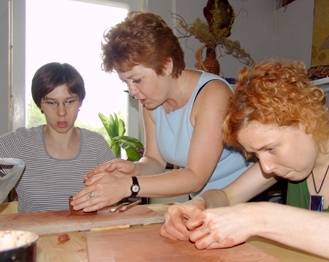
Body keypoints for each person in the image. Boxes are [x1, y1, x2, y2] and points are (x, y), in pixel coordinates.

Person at [160, 60, 329, 261]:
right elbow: (226, 196)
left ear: (306, 119)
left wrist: (259, 218)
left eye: (270, 148)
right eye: (257, 155)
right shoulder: (284, 164)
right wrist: (199, 204)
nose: (266, 167)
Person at [70, 11, 253, 212]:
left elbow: (195, 177)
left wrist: (128, 185)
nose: (132, 91)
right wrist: (134, 168)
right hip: (203, 206)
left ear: (166, 65)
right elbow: (155, 160)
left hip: (244, 203)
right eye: (126, 82)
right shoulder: (151, 101)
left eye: (137, 79)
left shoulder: (213, 95)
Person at [0, 62, 116, 212]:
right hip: (34, 235)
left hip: (86, 234)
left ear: (80, 101)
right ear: (39, 104)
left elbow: (114, 197)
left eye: (69, 101)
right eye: (51, 103)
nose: (61, 112)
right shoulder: (20, 143)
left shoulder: (96, 146)